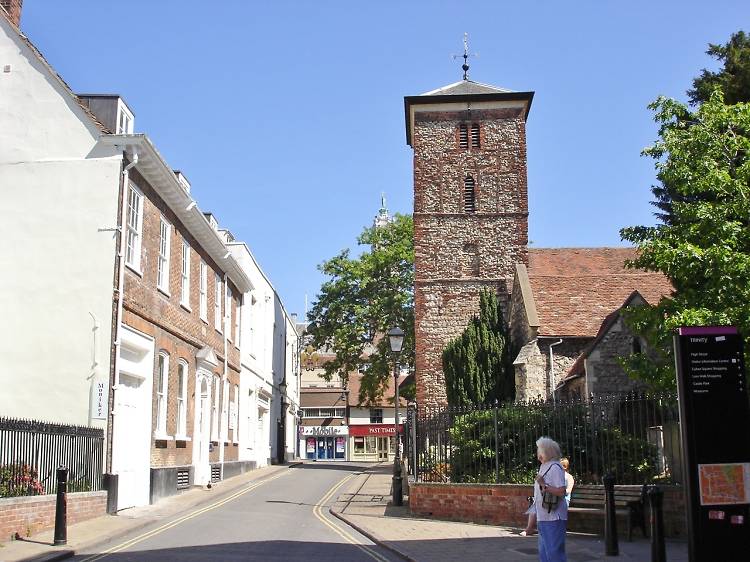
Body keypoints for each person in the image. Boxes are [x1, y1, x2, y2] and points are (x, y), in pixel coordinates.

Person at [533, 437, 568, 562]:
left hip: (554, 517)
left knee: (554, 552)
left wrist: (544, 485)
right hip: (543, 516)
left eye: (540, 451)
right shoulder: (544, 466)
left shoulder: (555, 467)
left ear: (547, 452)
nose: (538, 455)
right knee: (544, 552)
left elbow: (561, 491)